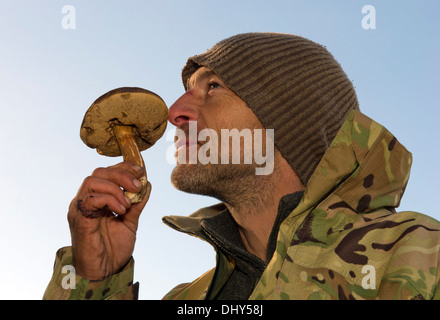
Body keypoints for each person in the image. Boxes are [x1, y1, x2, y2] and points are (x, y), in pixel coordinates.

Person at [44, 32, 440, 300]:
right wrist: (93, 279)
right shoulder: (187, 298)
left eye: (212, 87)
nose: (175, 112)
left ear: (286, 116)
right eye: (185, 93)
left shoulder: (417, 253)